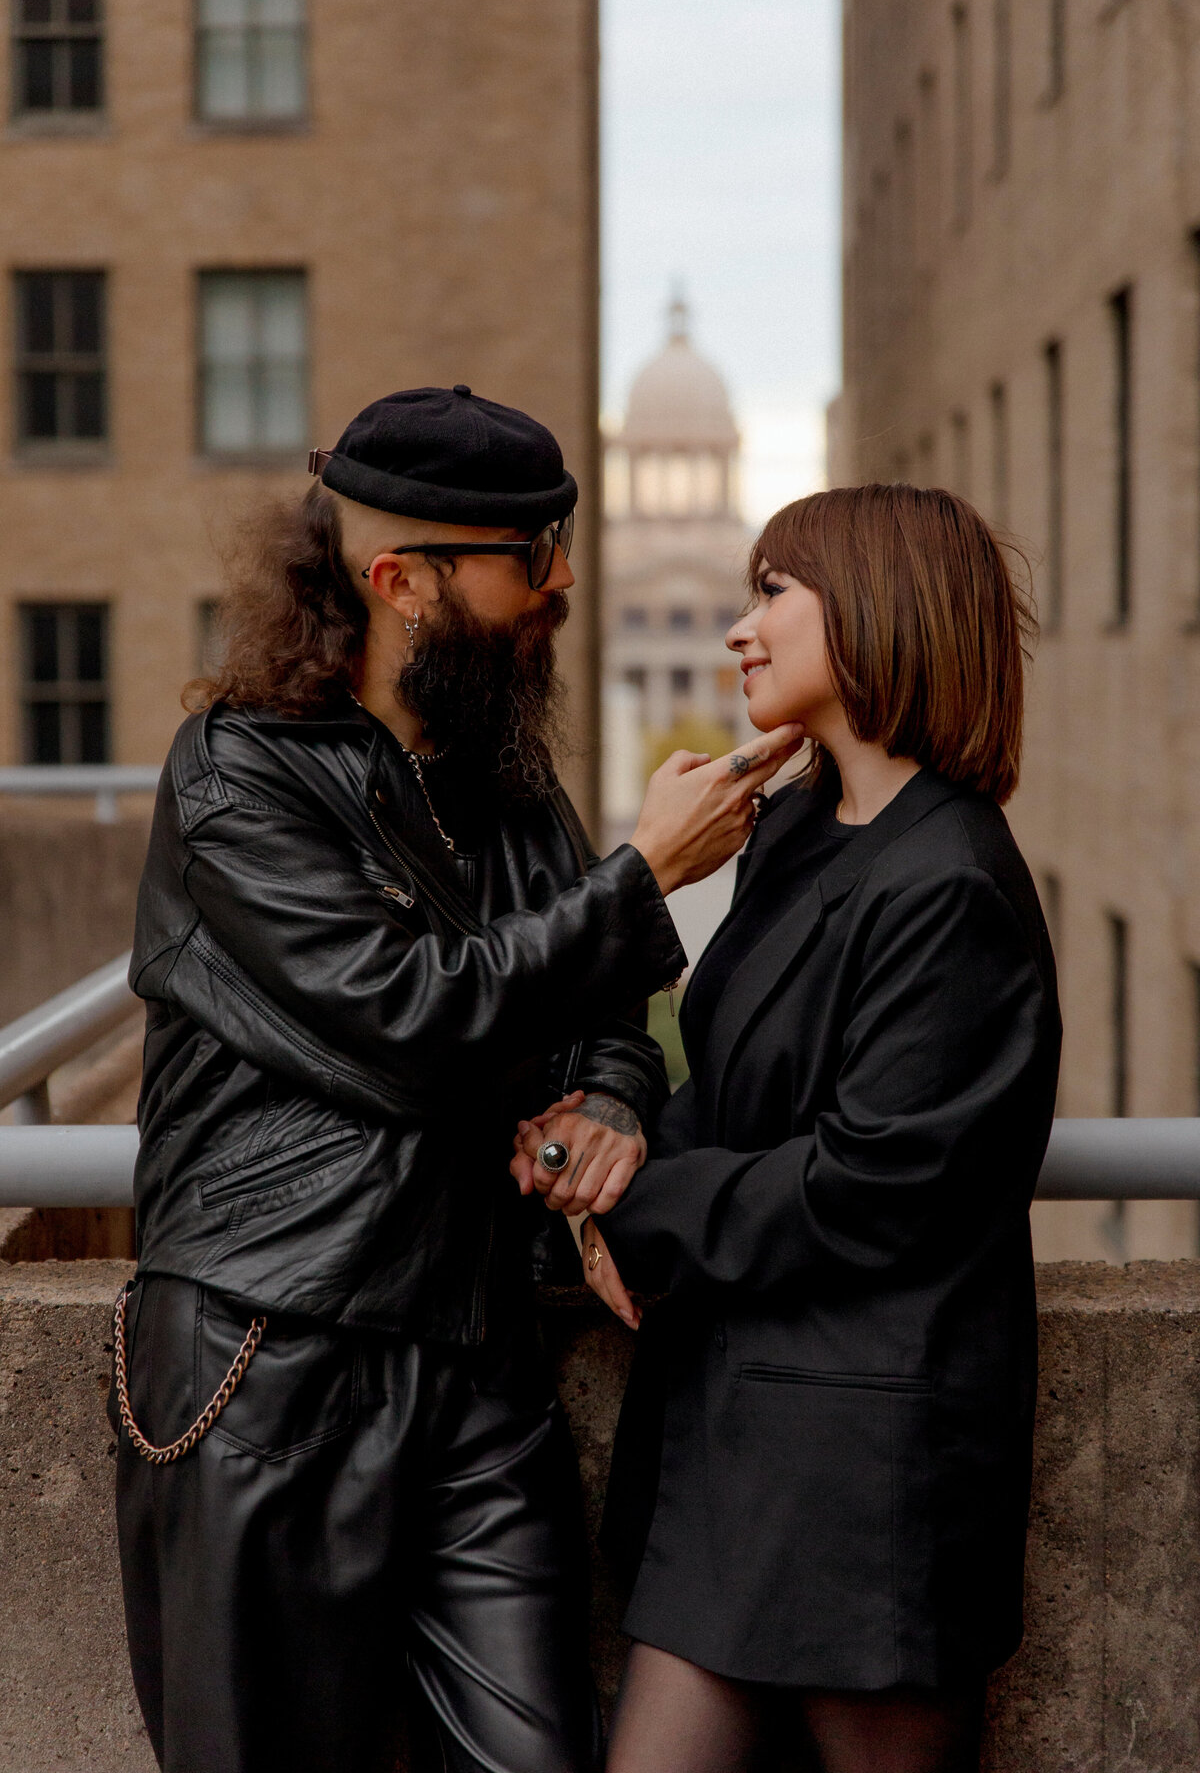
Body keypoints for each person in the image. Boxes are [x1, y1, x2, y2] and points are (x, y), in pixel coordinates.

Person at [113, 383, 802, 1773]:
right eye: (527, 563)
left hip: (478, 1364)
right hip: (272, 1358)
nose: (558, 592)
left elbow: (603, 1005)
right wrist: (647, 872)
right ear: (400, 581)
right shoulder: (240, 778)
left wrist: (607, 1104)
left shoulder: (504, 782)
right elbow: (410, 1017)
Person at [515, 483, 1062, 1773]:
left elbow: (877, 1181)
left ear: (874, 608)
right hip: (734, 1446)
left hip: (867, 1482)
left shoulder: (954, 881)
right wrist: (601, 1156)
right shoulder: (805, 832)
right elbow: (741, 1087)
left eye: (773, 595)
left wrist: (632, 1209)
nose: (738, 633)